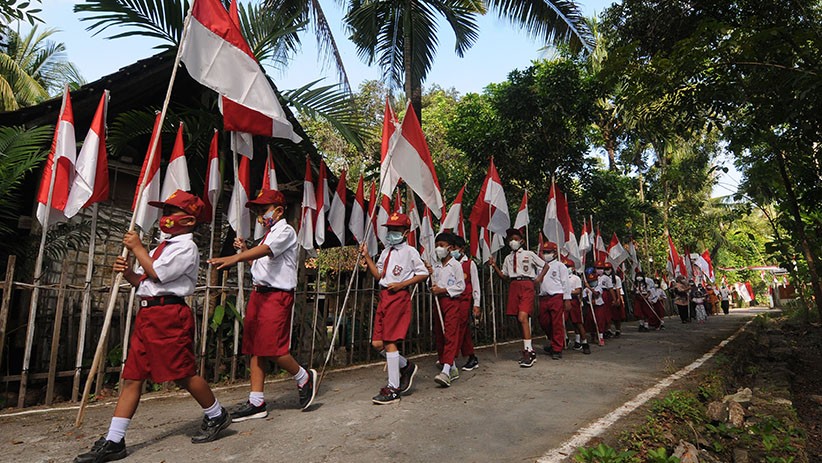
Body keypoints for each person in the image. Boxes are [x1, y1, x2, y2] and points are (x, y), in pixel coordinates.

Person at [75, 191, 229, 463]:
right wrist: (130, 272)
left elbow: (160, 274)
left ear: (190, 220)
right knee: (133, 376)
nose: (165, 217)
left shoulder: (185, 247)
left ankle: (217, 414)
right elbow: (146, 283)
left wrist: (137, 248)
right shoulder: (163, 246)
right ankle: (115, 440)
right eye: (164, 211)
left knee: (182, 373)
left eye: (171, 212)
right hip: (148, 314)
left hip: (169, 315)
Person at [209, 189, 317, 421]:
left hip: (277, 296)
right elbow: (261, 265)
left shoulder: (286, 231)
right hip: (260, 295)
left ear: (278, 211)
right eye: (257, 211)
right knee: (255, 347)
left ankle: (302, 376)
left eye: (263, 210)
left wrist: (236, 257)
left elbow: (267, 252)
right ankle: (257, 401)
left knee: (272, 348)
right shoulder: (267, 235)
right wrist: (246, 251)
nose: (260, 216)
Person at [361, 212, 428, 404]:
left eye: (396, 230)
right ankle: (405, 366)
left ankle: (393, 387)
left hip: (398, 297)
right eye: (389, 229)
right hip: (384, 296)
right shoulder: (386, 251)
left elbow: (422, 273)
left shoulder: (410, 252)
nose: (391, 233)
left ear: (405, 232)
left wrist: (402, 284)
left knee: (390, 341)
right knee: (377, 343)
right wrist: (367, 256)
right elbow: (379, 275)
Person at [490, 228, 544, 367]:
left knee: (522, 317)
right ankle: (528, 348)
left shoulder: (529, 254)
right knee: (518, 318)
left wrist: (539, 278)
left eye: (515, 238)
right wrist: (494, 266)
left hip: (526, 283)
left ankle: (528, 351)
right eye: (510, 239)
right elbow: (504, 276)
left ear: (522, 241)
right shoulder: (508, 258)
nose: (512, 241)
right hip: (514, 285)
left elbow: (545, 266)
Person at [428, 233, 466, 387]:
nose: (439, 248)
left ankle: (445, 371)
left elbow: (460, 286)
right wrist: (431, 281)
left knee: (450, 333)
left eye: (442, 245)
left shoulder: (456, 265)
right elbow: (433, 285)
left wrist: (443, 290)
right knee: (440, 333)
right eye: (437, 245)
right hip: (438, 303)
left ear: (450, 248)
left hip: (451, 302)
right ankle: (452, 366)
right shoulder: (436, 266)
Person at [535, 242, 571, 360]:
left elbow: (565, 283)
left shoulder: (560, 266)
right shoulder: (540, 266)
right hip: (543, 297)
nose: (546, 254)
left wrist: (567, 299)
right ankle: (554, 340)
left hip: (556, 296)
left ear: (555, 253)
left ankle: (557, 348)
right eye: (544, 252)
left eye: (548, 252)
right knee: (544, 321)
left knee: (557, 323)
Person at [453, 236, 481, 371]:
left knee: (459, 327)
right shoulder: (450, 264)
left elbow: (475, 284)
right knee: (462, 330)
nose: (452, 251)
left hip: (464, 300)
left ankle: (451, 357)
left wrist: (477, 304)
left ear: (462, 249)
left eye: (455, 248)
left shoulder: (469, 264)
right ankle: (471, 357)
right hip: (452, 300)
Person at [563, 257, 590, 354]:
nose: (566, 268)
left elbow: (578, 290)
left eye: (568, 266)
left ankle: (584, 343)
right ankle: (565, 339)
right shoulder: (561, 278)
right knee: (563, 322)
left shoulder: (575, 278)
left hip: (573, 301)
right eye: (565, 266)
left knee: (578, 323)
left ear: (573, 268)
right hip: (563, 301)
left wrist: (569, 292)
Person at [582, 270, 607, 345]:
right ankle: (593, 336)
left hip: (599, 306)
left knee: (599, 321)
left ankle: (601, 337)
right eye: (590, 281)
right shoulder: (585, 290)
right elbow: (584, 298)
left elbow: (596, 294)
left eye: (593, 281)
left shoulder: (598, 287)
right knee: (590, 321)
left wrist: (589, 288)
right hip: (590, 307)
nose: (592, 282)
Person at [595, 261, 616, 338]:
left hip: (605, 294)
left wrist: (614, 299)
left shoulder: (606, 278)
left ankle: (607, 329)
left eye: (601, 268)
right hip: (595, 294)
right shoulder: (593, 277)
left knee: (606, 313)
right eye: (598, 268)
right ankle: (597, 331)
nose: (599, 270)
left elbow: (610, 289)